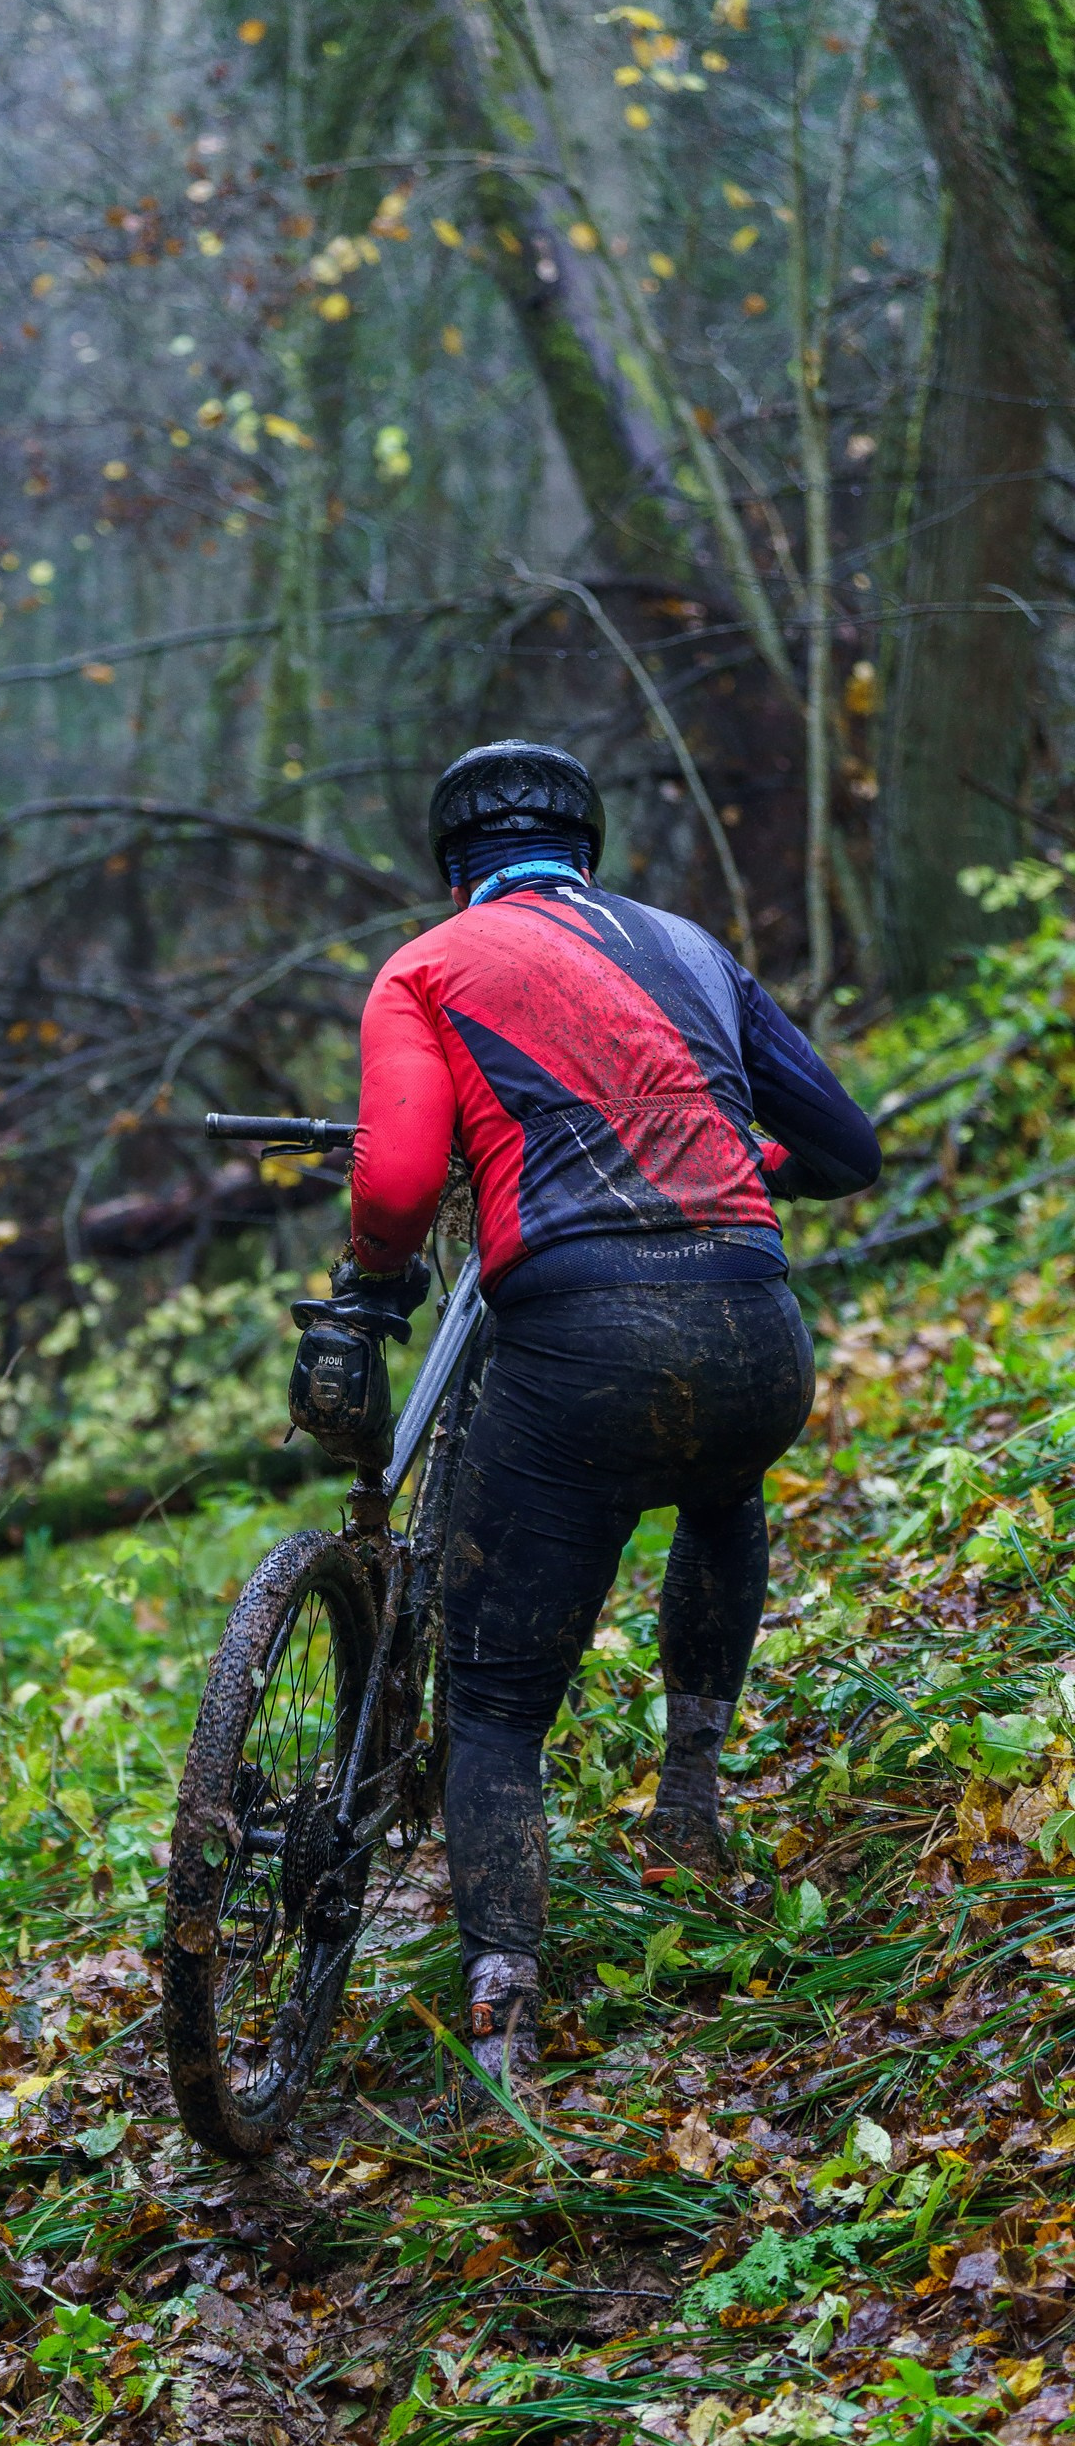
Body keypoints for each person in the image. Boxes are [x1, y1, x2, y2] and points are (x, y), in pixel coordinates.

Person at [341, 738, 880, 2085]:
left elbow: (403, 1187)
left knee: (504, 1702)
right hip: (760, 1342)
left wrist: (370, 1286)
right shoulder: (691, 948)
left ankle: (504, 2008)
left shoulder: (425, 968)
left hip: (581, 1348)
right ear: (587, 850)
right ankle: (690, 1803)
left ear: (451, 863)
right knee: (720, 1481)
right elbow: (844, 1148)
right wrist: (726, 1162)